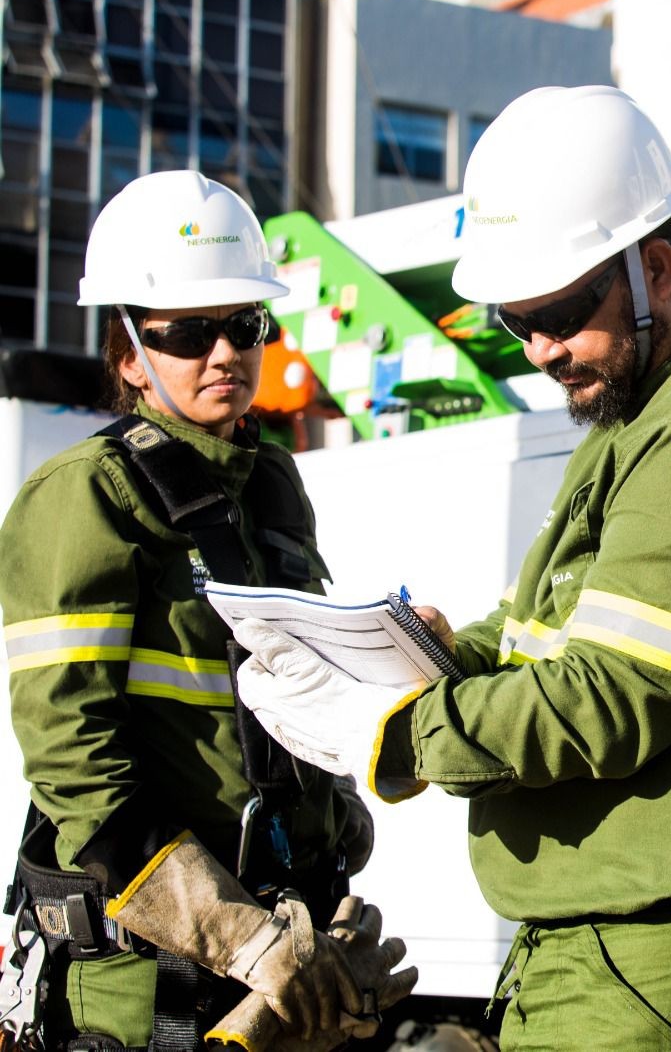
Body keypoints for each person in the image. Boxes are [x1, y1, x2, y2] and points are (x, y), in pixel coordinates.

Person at [232, 86, 671, 1050]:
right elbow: (541, 638)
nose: (538, 349)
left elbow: (610, 698)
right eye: (512, 318)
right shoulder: (638, 417)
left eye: (562, 312)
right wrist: (423, 657)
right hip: (632, 960)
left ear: (657, 268)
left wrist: (399, 730)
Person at [0, 170, 415, 1050]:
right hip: (147, 987)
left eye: (244, 325)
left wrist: (332, 870)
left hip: (282, 971)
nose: (224, 352)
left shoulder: (271, 486)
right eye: (188, 333)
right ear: (127, 356)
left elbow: (299, 697)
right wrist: (240, 936)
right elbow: (74, 761)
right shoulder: (84, 496)